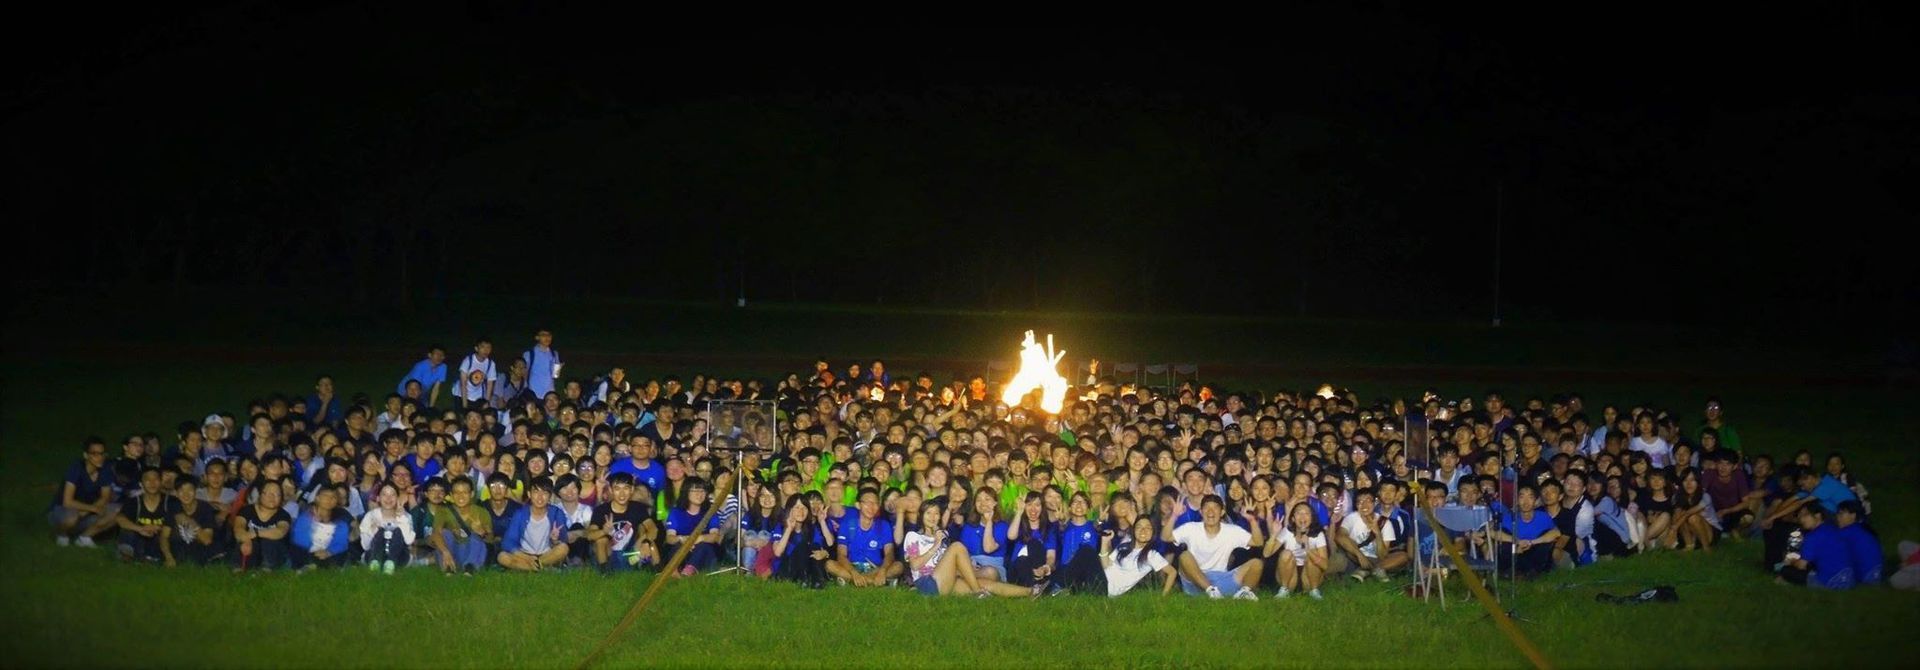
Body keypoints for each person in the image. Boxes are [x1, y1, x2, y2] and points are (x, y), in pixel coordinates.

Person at [901, 499, 1034, 597]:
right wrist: (936, 545)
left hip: (947, 580)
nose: (933, 517)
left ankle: (1031, 591)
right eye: (928, 513)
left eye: (936, 513)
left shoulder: (942, 535)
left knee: (985, 583)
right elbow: (915, 565)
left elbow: (949, 563)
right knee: (957, 546)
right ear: (921, 516)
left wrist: (967, 567)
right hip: (927, 583)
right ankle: (977, 592)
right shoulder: (913, 536)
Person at [1163, 495, 1263, 600]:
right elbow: (1166, 537)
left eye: (1215, 507)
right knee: (1184, 556)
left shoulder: (1232, 531)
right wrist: (1174, 515)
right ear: (1201, 512)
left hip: (1222, 580)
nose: (1211, 511)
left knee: (1257, 564)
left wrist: (1252, 521)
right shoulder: (1191, 528)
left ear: (1222, 512)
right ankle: (1211, 591)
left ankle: (1244, 593)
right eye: (1206, 507)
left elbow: (1258, 542)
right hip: (1195, 581)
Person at [49, 437, 119, 547]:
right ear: (86, 455)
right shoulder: (76, 468)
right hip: (64, 512)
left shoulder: (105, 470)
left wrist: (86, 512)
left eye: (102, 454)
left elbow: (105, 497)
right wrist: (93, 509)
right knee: (71, 517)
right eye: (95, 454)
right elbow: (67, 502)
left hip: (85, 514)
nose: (99, 457)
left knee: (117, 511)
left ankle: (84, 537)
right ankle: (62, 534)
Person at [828, 488, 903, 587]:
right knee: (829, 564)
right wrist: (854, 572)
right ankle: (874, 581)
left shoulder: (883, 525)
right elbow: (841, 555)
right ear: (858, 505)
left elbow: (889, 553)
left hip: (876, 568)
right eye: (867, 502)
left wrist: (882, 570)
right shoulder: (847, 524)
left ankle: (854, 581)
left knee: (899, 566)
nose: (871, 507)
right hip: (852, 567)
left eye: (875, 503)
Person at [588, 473, 658, 573]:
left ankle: (658, 573)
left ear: (632, 490)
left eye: (626, 488)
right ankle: (604, 575)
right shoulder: (601, 510)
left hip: (630, 555)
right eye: (617, 489)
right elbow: (590, 536)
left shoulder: (638, 508)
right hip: (609, 555)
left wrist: (646, 542)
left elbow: (653, 529)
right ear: (611, 490)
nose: (622, 494)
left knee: (650, 543)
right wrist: (604, 531)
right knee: (601, 540)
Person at [497, 477, 570, 572]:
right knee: (502, 557)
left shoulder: (556, 513)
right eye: (536, 492)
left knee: (563, 548)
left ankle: (529, 568)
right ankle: (543, 568)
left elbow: (563, 540)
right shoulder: (521, 513)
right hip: (524, 554)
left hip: (547, 554)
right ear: (529, 494)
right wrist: (527, 558)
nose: (540, 497)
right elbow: (508, 542)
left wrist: (554, 541)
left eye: (545, 493)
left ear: (550, 497)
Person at [1778, 504, 1853, 589]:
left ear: (1818, 515)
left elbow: (1801, 566)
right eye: (1800, 516)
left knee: (1785, 570)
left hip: (1829, 582)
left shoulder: (1813, 536)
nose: (1802, 519)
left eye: (1805, 515)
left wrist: (1791, 561)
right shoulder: (1832, 528)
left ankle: (1784, 581)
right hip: (1848, 579)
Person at [430, 478, 492, 576]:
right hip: (450, 552)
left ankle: (470, 568)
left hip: (472, 552)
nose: (460, 496)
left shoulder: (481, 512)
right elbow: (436, 533)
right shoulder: (443, 511)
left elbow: (490, 540)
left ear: (471, 494)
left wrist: (482, 532)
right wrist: (445, 552)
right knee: (446, 533)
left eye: (465, 492)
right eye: (456, 493)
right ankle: (449, 568)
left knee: (476, 537)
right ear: (451, 495)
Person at [115, 467, 177, 565]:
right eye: (147, 480)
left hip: (161, 538)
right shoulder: (134, 502)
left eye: (156, 479)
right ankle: (127, 558)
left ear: (161, 482)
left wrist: (160, 528)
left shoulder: (171, 501)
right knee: (127, 532)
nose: (152, 483)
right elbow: (120, 519)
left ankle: (150, 558)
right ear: (141, 484)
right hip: (139, 536)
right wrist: (140, 529)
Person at [1267, 501, 1329, 599]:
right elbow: (1267, 554)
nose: (1302, 516)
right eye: (1299, 513)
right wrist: (1273, 535)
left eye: (1306, 513)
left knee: (1314, 555)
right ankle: (1284, 590)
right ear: (1293, 518)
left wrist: (1308, 550)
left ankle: (1314, 591)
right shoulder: (1287, 532)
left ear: (1312, 518)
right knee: (1286, 553)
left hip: (1309, 576)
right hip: (1289, 574)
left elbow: (1325, 566)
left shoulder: (1318, 535)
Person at [664, 478, 725, 576]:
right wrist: (682, 539)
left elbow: (715, 536)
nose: (699, 494)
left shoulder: (710, 512)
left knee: (704, 546)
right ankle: (674, 570)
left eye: (702, 491)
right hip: (684, 549)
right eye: (695, 491)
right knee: (677, 545)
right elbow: (670, 538)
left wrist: (699, 538)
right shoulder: (676, 512)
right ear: (686, 492)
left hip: (704, 551)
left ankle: (689, 571)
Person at [232, 477, 293, 573]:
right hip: (252, 549)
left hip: (276, 552)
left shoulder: (283, 515)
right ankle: (238, 569)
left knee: (270, 541)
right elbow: (238, 529)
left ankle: (266, 569)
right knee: (242, 542)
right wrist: (246, 539)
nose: (273, 497)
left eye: (277, 494)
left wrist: (255, 533)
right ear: (260, 494)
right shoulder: (247, 510)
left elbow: (279, 532)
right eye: (269, 494)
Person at [290, 486, 353, 571]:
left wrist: (329, 552)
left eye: (333, 497)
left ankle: (319, 566)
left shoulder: (341, 516)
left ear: (336, 501)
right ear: (317, 498)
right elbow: (300, 539)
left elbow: (343, 539)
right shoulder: (306, 514)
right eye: (325, 496)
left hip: (329, 552)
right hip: (309, 551)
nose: (329, 499)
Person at [359, 482, 416, 574]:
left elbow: (409, 541)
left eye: (392, 495)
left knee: (397, 531)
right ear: (378, 498)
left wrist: (401, 518)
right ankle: (375, 564)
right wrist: (373, 530)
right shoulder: (370, 516)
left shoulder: (406, 516)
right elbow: (365, 546)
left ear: (398, 498)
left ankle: (390, 563)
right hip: (373, 555)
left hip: (399, 556)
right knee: (381, 530)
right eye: (384, 494)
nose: (388, 498)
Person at [169, 476, 221, 566]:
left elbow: (207, 540)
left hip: (201, 548)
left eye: (190, 490)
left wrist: (190, 521)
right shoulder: (173, 508)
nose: (186, 494)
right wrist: (168, 557)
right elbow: (164, 536)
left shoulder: (205, 508)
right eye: (181, 490)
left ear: (196, 492)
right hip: (180, 547)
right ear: (176, 493)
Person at [1832, 500, 1882, 586]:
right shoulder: (1862, 529)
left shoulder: (1849, 531)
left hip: (1865, 577)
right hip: (1876, 572)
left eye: (1841, 514)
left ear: (1853, 515)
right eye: (1837, 514)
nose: (1838, 517)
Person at [456, 338, 498, 409]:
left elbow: (489, 384)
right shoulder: (468, 361)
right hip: (461, 394)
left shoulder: (491, 364)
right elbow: (463, 384)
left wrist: (486, 403)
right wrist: (465, 406)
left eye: (488, 347)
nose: (486, 350)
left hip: (478, 395)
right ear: (476, 348)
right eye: (483, 347)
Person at [522, 329, 563, 400]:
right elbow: (524, 373)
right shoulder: (529, 354)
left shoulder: (554, 354)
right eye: (543, 335)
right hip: (534, 392)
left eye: (549, 335)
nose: (547, 338)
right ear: (537, 337)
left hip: (549, 392)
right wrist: (525, 388)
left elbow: (555, 376)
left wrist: (558, 369)